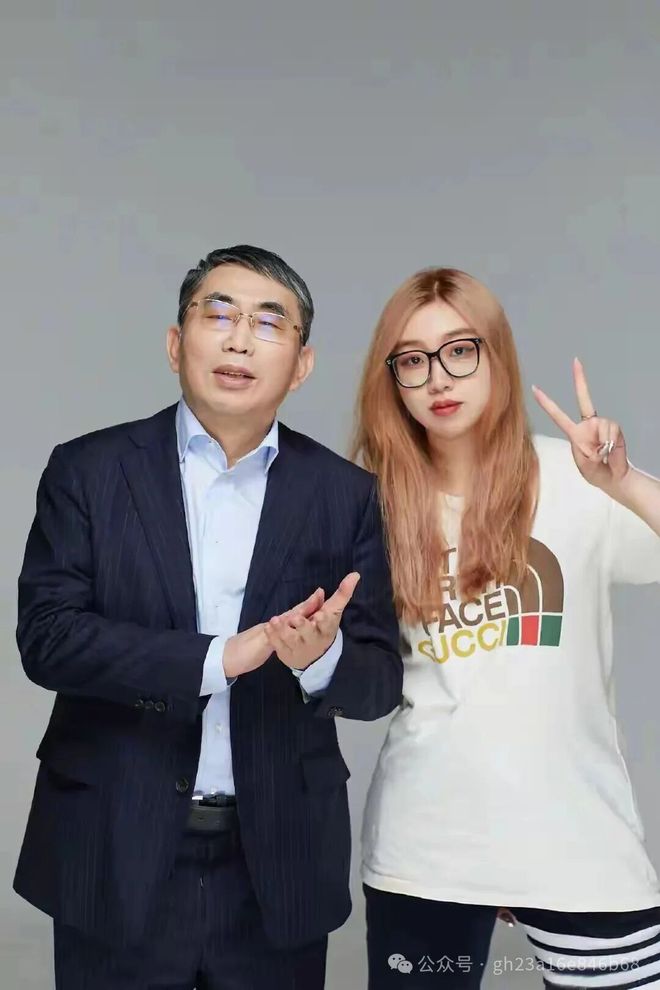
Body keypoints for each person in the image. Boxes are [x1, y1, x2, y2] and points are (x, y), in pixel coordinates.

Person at [14, 244, 403, 990]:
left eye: (269, 322)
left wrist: (318, 659)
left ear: (302, 364)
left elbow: (380, 680)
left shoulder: (344, 494)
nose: (239, 339)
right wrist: (215, 659)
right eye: (218, 314)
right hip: (113, 846)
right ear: (175, 344)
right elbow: (48, 638)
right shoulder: (89, 470)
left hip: (277, 862)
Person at [353, 266, 660, 989]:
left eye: (460, 350)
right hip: (428, 845)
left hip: (577, 840)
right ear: (393, 381)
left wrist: (623, 484)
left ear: (497, 354)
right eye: (412, 360)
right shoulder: (374, 505)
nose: (438, 377)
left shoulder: (577, 479)